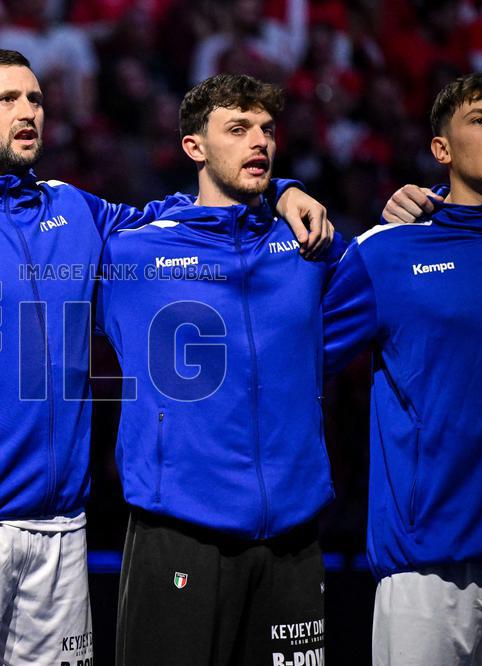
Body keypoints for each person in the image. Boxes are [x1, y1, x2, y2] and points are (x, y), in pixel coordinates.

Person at [0, 49, 331, 665]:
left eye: (36, 100)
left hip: (62, 531)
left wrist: (281, 190)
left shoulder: (75, 211)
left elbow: (188, 217)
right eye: (9, 99)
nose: (28, 113)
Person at [98, 73, 343, 666]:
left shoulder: (311, 246)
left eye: (266, 129)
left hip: (293, 543)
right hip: (178, 536)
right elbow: (35, 219)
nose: (258, 141)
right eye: (237, 129)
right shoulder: (131, 251)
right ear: (194, 147)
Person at [322, 69, 482, 664]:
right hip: (425, 570)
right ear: (441, 150)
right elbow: (298, 363)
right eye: (480, 120)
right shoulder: (387, 252)